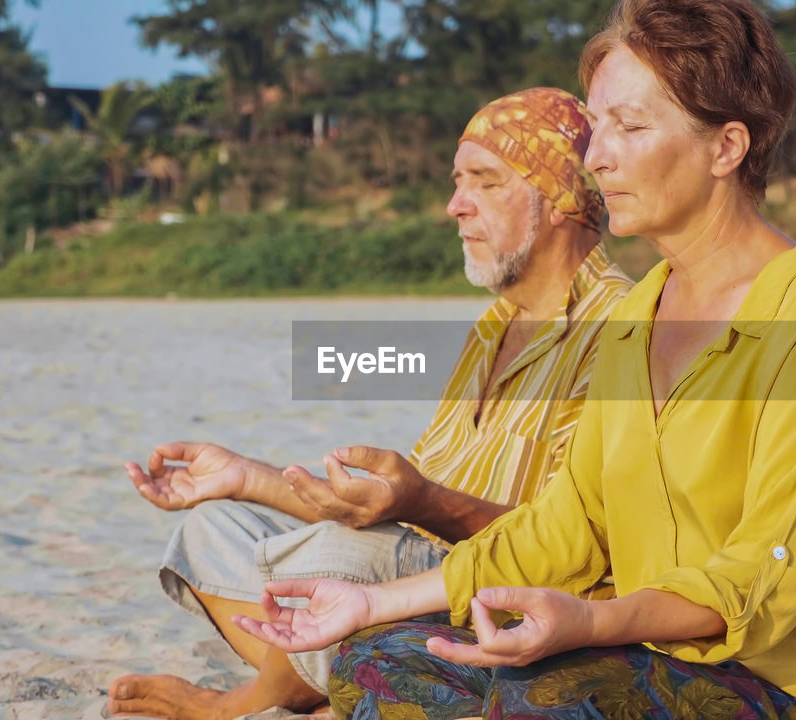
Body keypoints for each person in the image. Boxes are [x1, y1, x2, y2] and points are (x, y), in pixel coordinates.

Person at [230, 1, 796, 718]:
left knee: (538, 700)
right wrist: (371, 601)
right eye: (598, 123)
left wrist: (591, 624)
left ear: (726, 147)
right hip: (658, 652)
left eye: (630, 126)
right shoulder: (638, 318)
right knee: (375, 661)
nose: (597, 154)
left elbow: (768, 572)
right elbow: (569, 523)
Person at [105, 86, 634, 720]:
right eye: (456, 182)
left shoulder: (619, 328)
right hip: (413, 566)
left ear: (561, 201)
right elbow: (401, 514)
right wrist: (247, 477)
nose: (454, 206)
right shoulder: (492, 328)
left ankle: (236, 705)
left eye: (485, 183)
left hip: (508, 596)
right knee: (214, 527)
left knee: (340, 555)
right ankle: (332, 681)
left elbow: (577, 547)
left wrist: (420, 503)